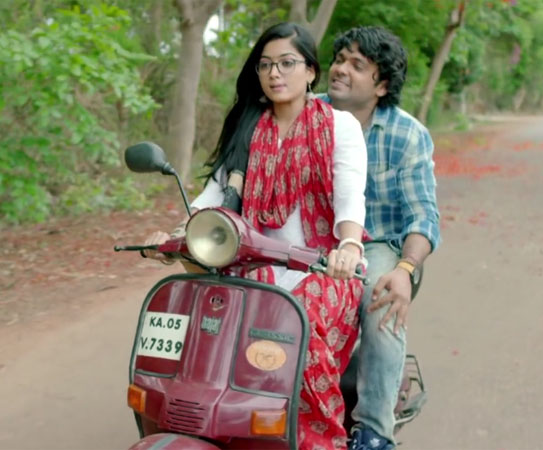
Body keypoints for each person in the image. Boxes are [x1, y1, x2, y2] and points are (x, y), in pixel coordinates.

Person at [145, 22, 368, 450]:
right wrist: (175, 235)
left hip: (323, 266)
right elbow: (213, 198)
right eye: (265, 65)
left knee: (294, 329)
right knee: (209, 326)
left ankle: (319, 441)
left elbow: (349, 198)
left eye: (286, 63)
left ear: (310, 71)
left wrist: (349, 246)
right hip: (254, 263)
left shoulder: (339, 126)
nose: (274, 73)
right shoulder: (248, 128)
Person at [320, 26, 441, 450]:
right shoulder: (306, 114)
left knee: (380, 295)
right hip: (309, 238)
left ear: (382, 85)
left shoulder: (407, 134)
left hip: (381, 246)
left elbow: (423, 216)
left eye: (357, 65)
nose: (341, 69)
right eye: (339, 60)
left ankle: (373, 432)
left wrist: (405, 270)